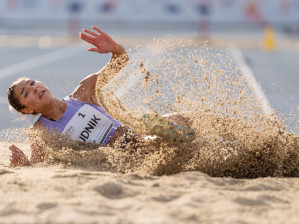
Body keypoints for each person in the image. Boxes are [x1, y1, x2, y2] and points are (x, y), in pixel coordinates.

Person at [7, 26, 195, 167]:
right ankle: (171, 138)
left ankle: (185, 134)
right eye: (25, 92)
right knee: (146, 141)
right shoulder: (40, 131)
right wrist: (25, 163)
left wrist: (115, 48)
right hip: (121, 156)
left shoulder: (83, 91)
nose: (33, 88)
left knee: (185, 118)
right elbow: (39, 163)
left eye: (32, 83)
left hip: (135, 133)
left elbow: (120, 61)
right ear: (26, 109)